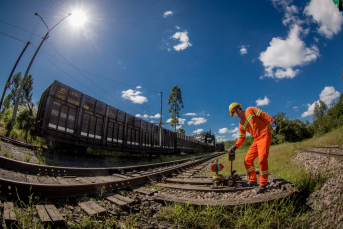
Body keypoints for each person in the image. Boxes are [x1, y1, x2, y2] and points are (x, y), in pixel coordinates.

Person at [228, 102, 279, 194]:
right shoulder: (241, 124)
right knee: (247, 160)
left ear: (237, 109)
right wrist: (235, 146)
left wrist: (272, 122)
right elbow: (241, 138)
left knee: (262, 160)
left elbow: (263, 114)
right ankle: (253, 181)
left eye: (233, 113)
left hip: (264, 134)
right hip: (256, 139)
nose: (234, 116)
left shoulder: (250, 110)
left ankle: (263, 184)